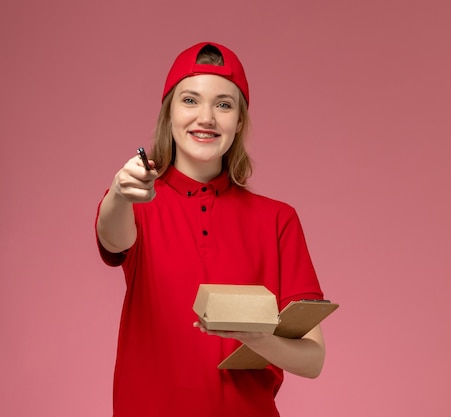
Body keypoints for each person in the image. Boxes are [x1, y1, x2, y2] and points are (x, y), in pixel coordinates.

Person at [95, 42, 326, 417]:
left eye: (223, 104)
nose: (206, 117)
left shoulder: (278, 220)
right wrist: (121, 193)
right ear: (169, 113)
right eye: (190, 100)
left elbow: (312, 359)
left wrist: (259, 340)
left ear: (239, 121)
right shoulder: (137, 204)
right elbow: (112, 235)